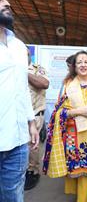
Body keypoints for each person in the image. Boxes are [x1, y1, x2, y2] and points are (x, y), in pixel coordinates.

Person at [0, 0, 39, 202]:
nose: (7, 2)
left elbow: (23, 89)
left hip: (15, 141)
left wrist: (31, 123)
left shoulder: (17, 45)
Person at [43, 51, 87, 202]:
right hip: (73, 135)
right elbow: (59, 112)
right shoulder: (68, 85)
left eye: (86, 62)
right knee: (76, 169)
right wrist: (80, 111)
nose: (83, 65)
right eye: (80, 62)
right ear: (74, 66)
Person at [24, 49, 49, 190]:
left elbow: (44, 84)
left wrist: (23, 73)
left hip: (34, 115)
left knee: (32, 145)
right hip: (14, 114)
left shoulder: (37, 69)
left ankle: (33, 172)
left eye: (26, 54)